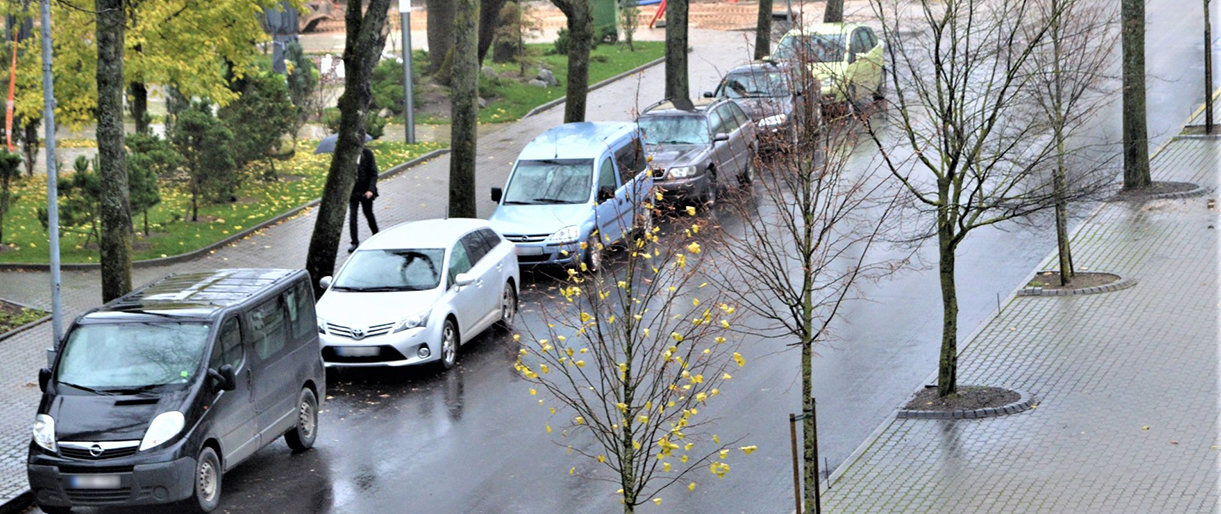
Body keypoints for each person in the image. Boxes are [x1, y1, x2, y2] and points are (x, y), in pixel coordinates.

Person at [348, 146, 379, 253]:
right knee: (353, 216)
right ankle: (354, 242)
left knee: (368, 214)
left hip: (366, 191)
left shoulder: (367, 154)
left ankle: (376, 234)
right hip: (352, 192)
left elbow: (374, 173)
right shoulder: (348, 155)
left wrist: (370, 190)